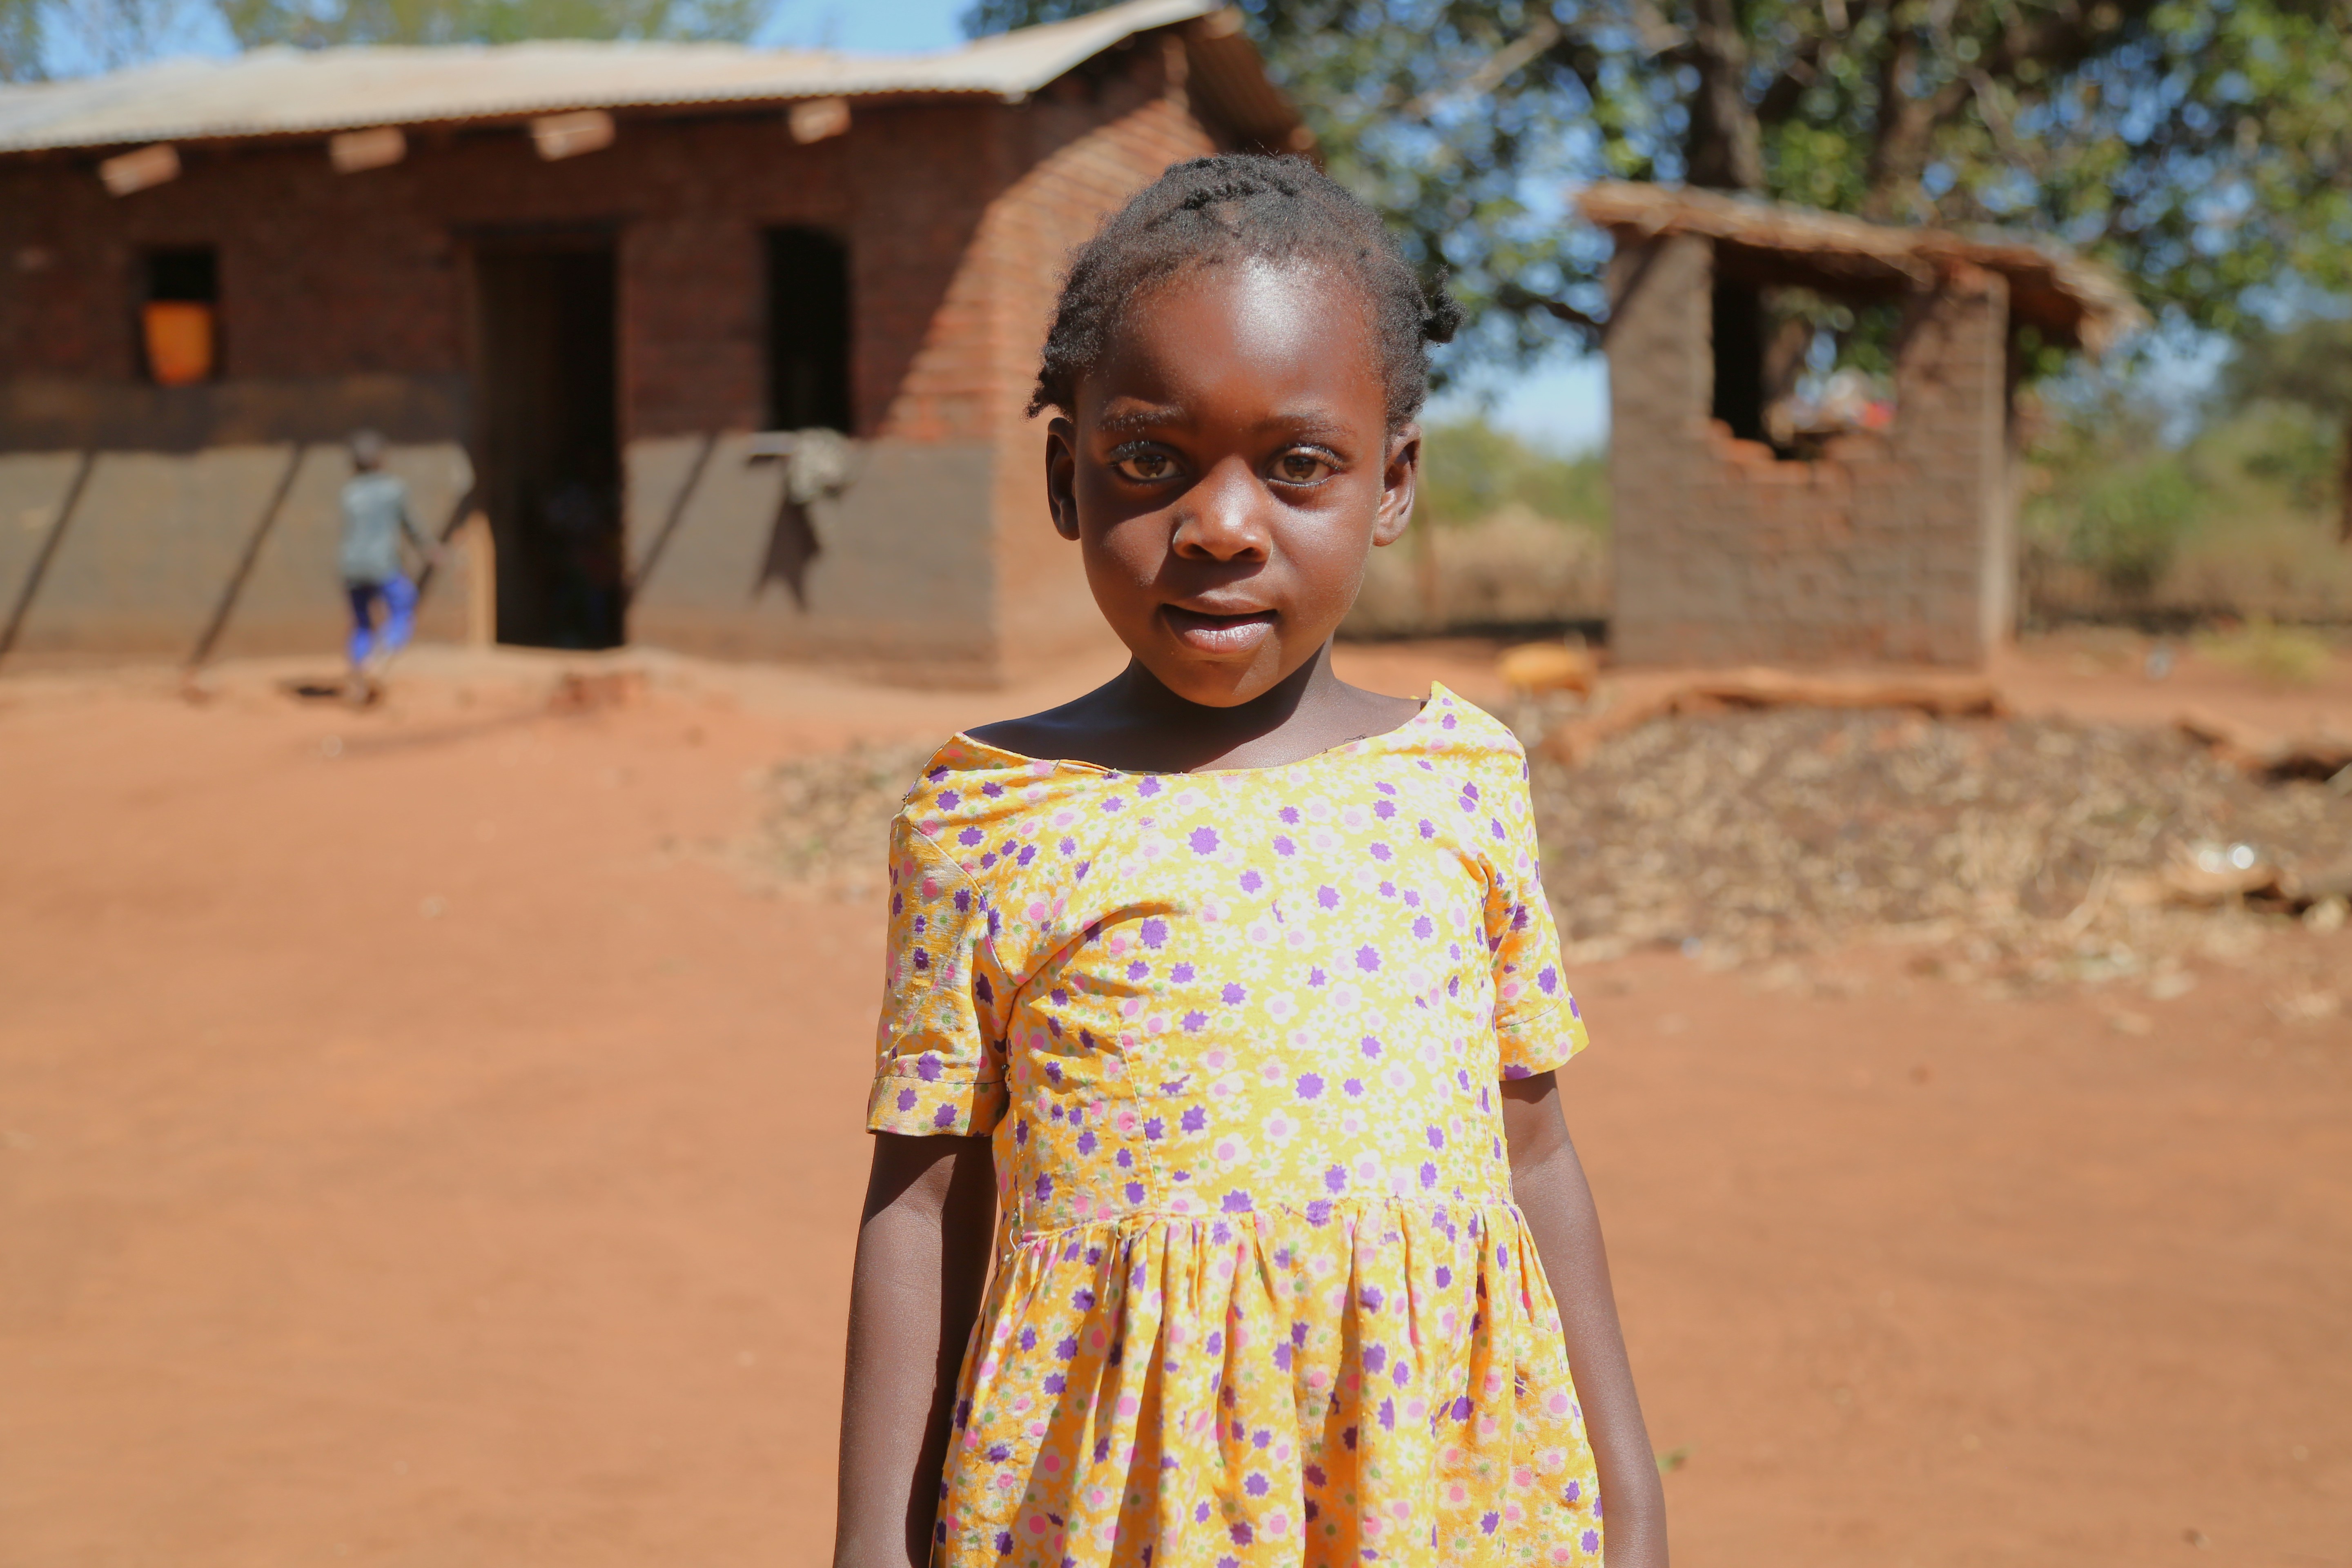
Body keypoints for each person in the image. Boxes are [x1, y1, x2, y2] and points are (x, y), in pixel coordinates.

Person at [835, 156, 1668, 1568]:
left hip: (1434, 1505)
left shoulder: (1460, 787)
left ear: (1391, 482)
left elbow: (1537, 1156)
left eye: (1296, 467)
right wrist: (874, 1543)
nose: (1222, 527)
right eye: (1151, 462)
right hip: (1110, 1503)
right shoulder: (989, 816)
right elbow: (924, 1207)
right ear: (1065, 476)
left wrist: (1631, 1493)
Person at [339, 430, 439, 703]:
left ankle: (360, 672)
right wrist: (429, 549)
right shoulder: (393, 489)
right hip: (382, 565)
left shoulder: (350, 493)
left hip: (351, 567)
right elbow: (411, 525)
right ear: (381, 459)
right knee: (404, 607)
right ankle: (380, 661)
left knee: (361, 625)